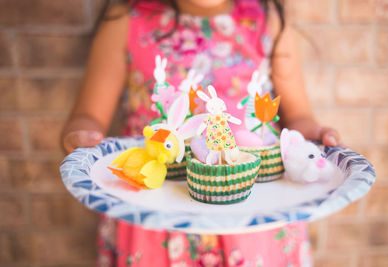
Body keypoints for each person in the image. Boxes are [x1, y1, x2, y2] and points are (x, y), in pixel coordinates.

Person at [61, 0, 341, 266]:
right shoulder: (125, 22)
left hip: (255, 221)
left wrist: (316, 135)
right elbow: (89, 116)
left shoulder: (268, 23)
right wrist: (83, 138)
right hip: (154, 217)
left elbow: (298, 117)